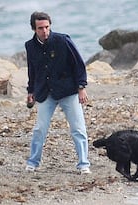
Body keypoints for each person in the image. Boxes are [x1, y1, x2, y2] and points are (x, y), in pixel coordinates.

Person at [25, 11, 91, 174]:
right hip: (45, 93)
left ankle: (84, 164)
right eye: (40, 28)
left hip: (68, 91)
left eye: (47, 27)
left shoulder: (62, 40)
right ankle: (33, 162)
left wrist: (81, 87)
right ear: (34, 29)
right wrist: (31, 90)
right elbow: (32, 70)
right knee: (40, 128)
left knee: (78, 128)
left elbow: (78, 63)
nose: (45, 31)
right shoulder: (30, 46)